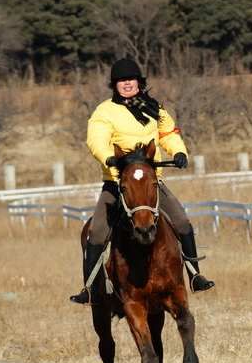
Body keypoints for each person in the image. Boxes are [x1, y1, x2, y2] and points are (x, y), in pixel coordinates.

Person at [69, 58, 214, 304]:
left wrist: (178, 152)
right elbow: (96, 140)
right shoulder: (104, 111)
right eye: (121, 81)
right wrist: (109, 159)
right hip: (118, 183)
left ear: (139, 82)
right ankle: (90, 290)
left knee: (181, 220)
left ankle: (195, 275)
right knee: (96, 232)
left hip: (150, 182)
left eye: (131, 79)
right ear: (114, 85)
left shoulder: (154, 108)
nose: (127, 84)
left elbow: (168, 133)